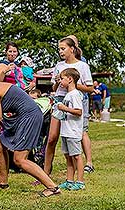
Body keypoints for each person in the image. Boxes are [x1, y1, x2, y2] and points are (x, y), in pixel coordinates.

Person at [0, 67, 60, 197]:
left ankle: (53, 187)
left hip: (29, 117)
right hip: (21, 117)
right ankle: (2, 183)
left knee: (20, 159)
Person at [44, 36, 94, 177]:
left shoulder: (83, 66)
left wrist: (72, 84)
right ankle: (45, 172)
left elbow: (90, 88)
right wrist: (58, 82)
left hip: (75, 100)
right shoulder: (58, 66)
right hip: (60, 100)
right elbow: (54, 87)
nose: (60, 51)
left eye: (63, 48)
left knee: (74, 136)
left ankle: (77, 173)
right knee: (52, 137)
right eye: (59, 49)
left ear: (72, 49)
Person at [56, 68, 85, 191]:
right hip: (66, 131)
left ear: (70, 79)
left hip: (73, 132)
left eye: (62, 78)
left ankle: (80, 182)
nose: (60, 81)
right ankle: (69, 180)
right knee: (68, 156)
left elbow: (79, 112)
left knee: (77, 156)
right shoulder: (68, 94)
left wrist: (63, 108)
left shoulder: (75, 94)